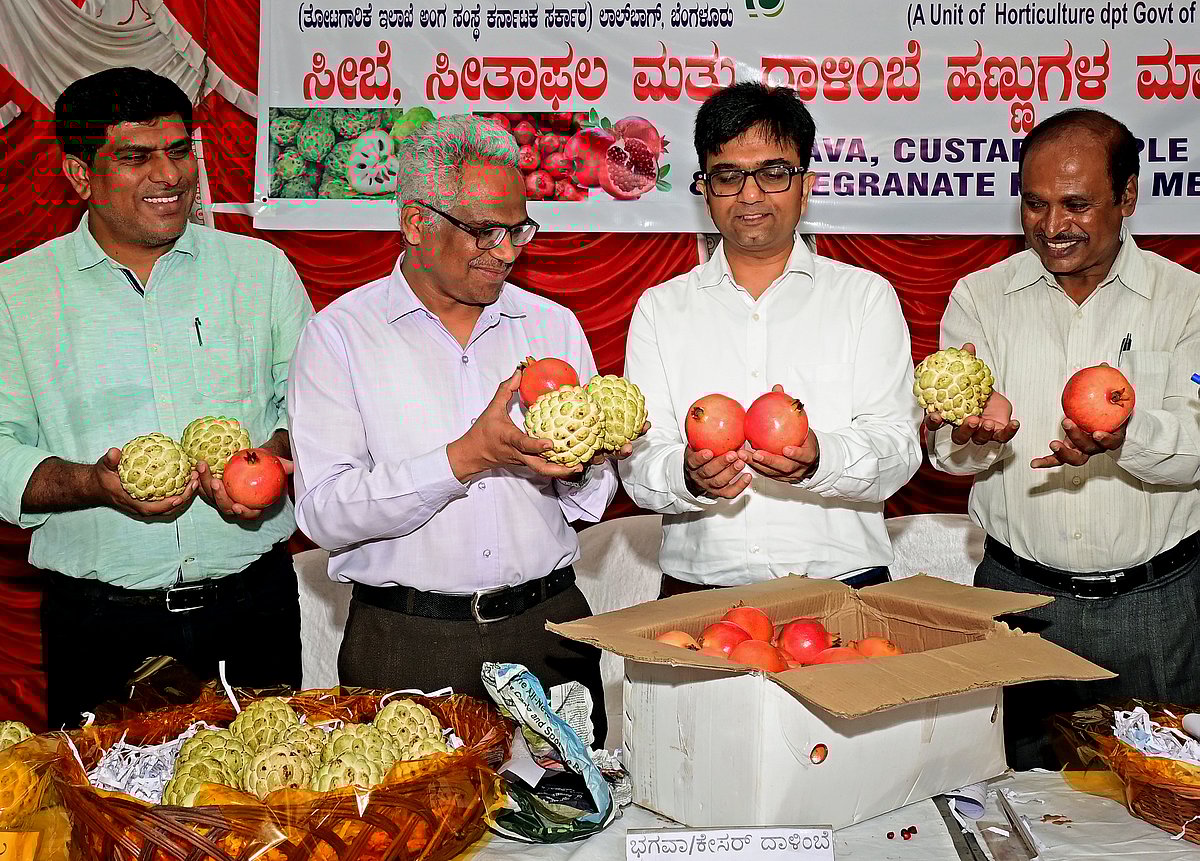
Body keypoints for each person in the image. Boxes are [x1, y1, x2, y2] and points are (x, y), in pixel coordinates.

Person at [288, 115, 631, 745]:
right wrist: (464, 458)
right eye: (484, 232)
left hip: (547, 632)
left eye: (518, 229)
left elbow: (592, 500)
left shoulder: (551, 326)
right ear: (417, 223)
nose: (505, 252)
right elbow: (324, 514)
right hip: (405, 646)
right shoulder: (340, 337)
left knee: (568, 835)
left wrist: (582, 458)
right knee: (415, 836)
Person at [0, 68, 313, 729]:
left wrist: (268, 463)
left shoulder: (260, 272)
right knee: (110, 822)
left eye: (178, 151)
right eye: (137, 157)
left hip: (251, 608)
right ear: (80, 175)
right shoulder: (17, 293)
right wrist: (94, 482)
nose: (169, 176)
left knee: (268, 817)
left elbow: (311, 412)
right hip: (97, 623)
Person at [928, 108, 1200, 769]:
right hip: (1017, 601)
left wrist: (1124, 435)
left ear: (1127, 195)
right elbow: (945, 452)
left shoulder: (1185, 299)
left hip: (1154, 610)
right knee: (1016, 798)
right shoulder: (981, 298)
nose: (1053, 227)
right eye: (1036, 204)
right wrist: (972, 434)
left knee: (1164, 807)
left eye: (1076, 204)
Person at [619, 82, 922, 598]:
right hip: (698, 593)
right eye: (728, 175)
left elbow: (899, 448)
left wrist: (820, 459)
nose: (750, 194)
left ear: (806, 186)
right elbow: (639, 461)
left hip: (844, 590)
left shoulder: (866, 297)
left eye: (774, 173)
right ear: (705, 190)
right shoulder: (659, 309)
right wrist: (689, 478)